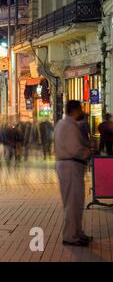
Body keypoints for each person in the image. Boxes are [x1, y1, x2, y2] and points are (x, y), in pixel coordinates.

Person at [54, 100, 93, 247]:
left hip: (67, 165)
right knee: (73, 202)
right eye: (80, 109)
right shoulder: (69, 126)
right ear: (75, 110)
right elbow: (75, 148)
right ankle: (70, 235)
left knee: (75, 201)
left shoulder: (61, 124)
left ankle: (77, 232)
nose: (81, 112)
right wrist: (87, 151)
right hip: (71, 165)